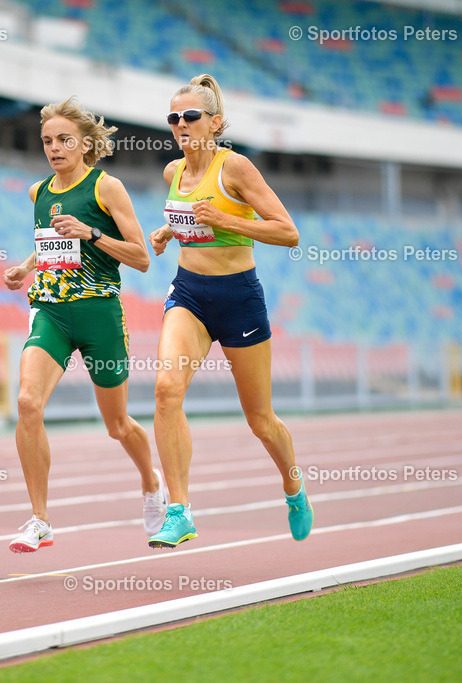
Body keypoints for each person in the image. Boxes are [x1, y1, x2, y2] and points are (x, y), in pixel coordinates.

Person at [147, 74, 313, 548]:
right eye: (173, 118)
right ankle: (179, 510)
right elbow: (189, 218)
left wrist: (227, 220)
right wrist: (166, 231)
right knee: (165, 390)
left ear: (214, 123)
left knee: (260, 420)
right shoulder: (172, 173)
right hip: (190, 294)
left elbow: (288, 231)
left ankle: (293, 485)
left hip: (239, 299)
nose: (180, 125)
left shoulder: (235, 167)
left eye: (190, 116)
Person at [3, 97, 167, 553]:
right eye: (47, 141)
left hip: (100, 315)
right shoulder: (39, 192)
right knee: (27, 402)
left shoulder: (106, 188)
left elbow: (141, 258)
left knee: (117, 425)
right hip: (51, 309)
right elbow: (51, 241)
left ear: (84, 144)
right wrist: (25, 266)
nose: (54, 148)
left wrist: (92, 233)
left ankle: (151, 482)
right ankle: (40, 520)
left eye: (63, 140)